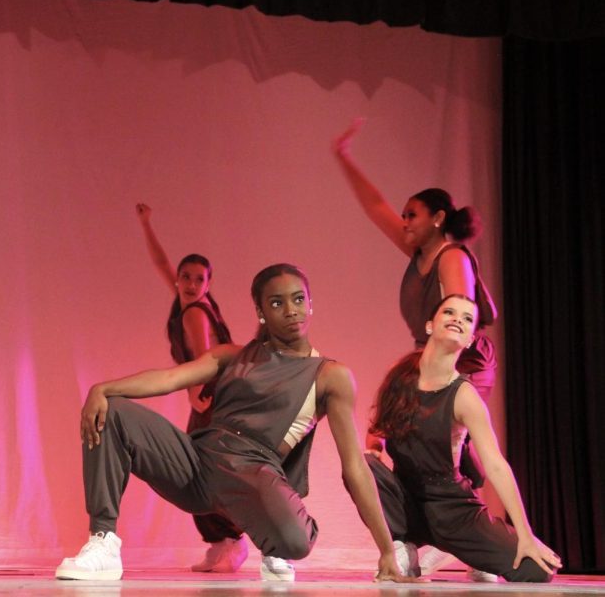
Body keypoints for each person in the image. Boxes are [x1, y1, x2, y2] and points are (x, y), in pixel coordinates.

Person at [56, 264, 409, 582]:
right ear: (260, 310)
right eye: (277, 303)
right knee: (113, 409)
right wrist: (103, 388)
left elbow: (354, 468)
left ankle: (275, 545)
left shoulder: (331, 375)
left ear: (311, 303)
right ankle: (103, 541)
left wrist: (387, 550)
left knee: (295, 543)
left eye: (298, 299)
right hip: (197, 463)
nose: (291, 311)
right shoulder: (233, 356)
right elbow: (169, 378)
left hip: (255, 474)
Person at [334, 120, 498, 578]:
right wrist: (345, 158)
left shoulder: (451, 256)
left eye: (413, 214)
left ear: (437, 219)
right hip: (431, 359)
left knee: (448, 446)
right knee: (426, 447)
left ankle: (469, 541)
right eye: (405, 215)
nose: (404, 221)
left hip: (462, 358)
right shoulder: (419, 253)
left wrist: (431, 373)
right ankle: (466, 545)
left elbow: (459, 316)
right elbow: (375, 207)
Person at [365, 294, 561, 582]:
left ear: (470, 339)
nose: (458, 319)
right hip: (408, 502)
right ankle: (402, 544)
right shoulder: (400, 376)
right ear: (430, 325)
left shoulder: (464, 396)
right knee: (362, 466)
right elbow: (378, 430)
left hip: (453, 510)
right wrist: (375, 448)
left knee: (538, 569)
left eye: (467, 318)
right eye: (450, 312)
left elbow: (495, 465)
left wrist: (525, 534)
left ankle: (466, 551)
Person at [134, 203, 246, 573]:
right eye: (186, 277)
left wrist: (194, 396)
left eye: (199, 279)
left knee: (202, 470)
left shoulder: (196, 311)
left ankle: (231, 540)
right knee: (200, 469)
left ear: (208, 284)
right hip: (213, 395)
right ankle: (222, 543)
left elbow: (201, 359)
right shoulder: (188, 300)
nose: (191, 284)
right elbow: (160, 264)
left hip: (211, 396)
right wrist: (147, 224)